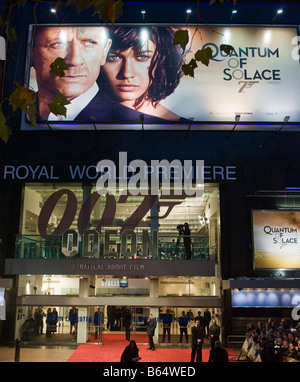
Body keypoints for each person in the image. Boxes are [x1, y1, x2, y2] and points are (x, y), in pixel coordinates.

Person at [31, 26, 153, 124]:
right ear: (31, 51)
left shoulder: (140, 124)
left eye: (90, 42)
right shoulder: (16, 113)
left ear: (105, 51)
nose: (75, 60)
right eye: (57, 44)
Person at [99, 26, 186, 122]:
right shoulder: (86, 115)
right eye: (113, 57)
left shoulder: (186, 127)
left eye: (142, 57)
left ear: (161, 61)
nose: (127, 73)